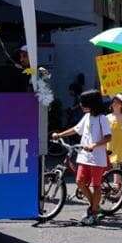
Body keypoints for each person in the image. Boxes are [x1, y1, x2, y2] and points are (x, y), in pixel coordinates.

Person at [50, 90, 111, 226]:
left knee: (96, 186)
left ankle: (94, 212)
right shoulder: (87, 116)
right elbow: (76, 129)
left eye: (84, 103)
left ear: (92, 104)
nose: (81, 105)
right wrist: (59, 135)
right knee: (79, 182)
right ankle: (94, 206)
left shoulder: (102, 118)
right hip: (84, 156)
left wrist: (94, 145)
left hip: (97, 157)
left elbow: (108, 137)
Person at [107, 94, 122, 191]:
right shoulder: (107, 117)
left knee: (116, 163)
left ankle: (116, 184)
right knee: (109, 164)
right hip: (108, 144)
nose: (115, 104)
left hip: (119, 144)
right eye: (113, 102)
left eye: (117, 102)